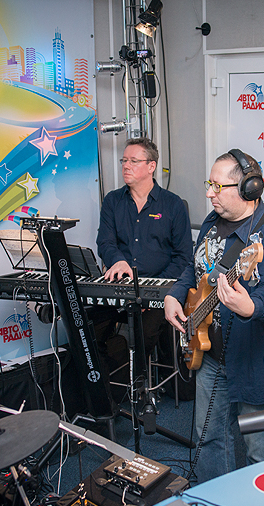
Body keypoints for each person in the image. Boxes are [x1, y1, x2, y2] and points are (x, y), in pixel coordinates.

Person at [164, 150, 264, 482]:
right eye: (209, 184)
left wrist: (251, 307)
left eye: (218, 186)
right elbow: (193, 269)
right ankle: (215, 502)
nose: (209, 193)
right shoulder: (211, 223)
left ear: (249, 189)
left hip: (253, 360)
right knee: (208, 437)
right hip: (209, 354)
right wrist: (173, 295)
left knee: (259, 448)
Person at [94, 138, 191, 382]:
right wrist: (117, 261)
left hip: (158, 293)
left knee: (142, 335)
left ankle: (131, 389)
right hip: (119, 288)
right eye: (124, 160)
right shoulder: (112, 201)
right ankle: (104, 388)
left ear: (151, 166)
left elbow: (183, 257)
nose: (126, 166)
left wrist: (151, 290)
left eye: (133, 161)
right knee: (88, 329)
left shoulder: (173, 205)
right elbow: (105, 242)